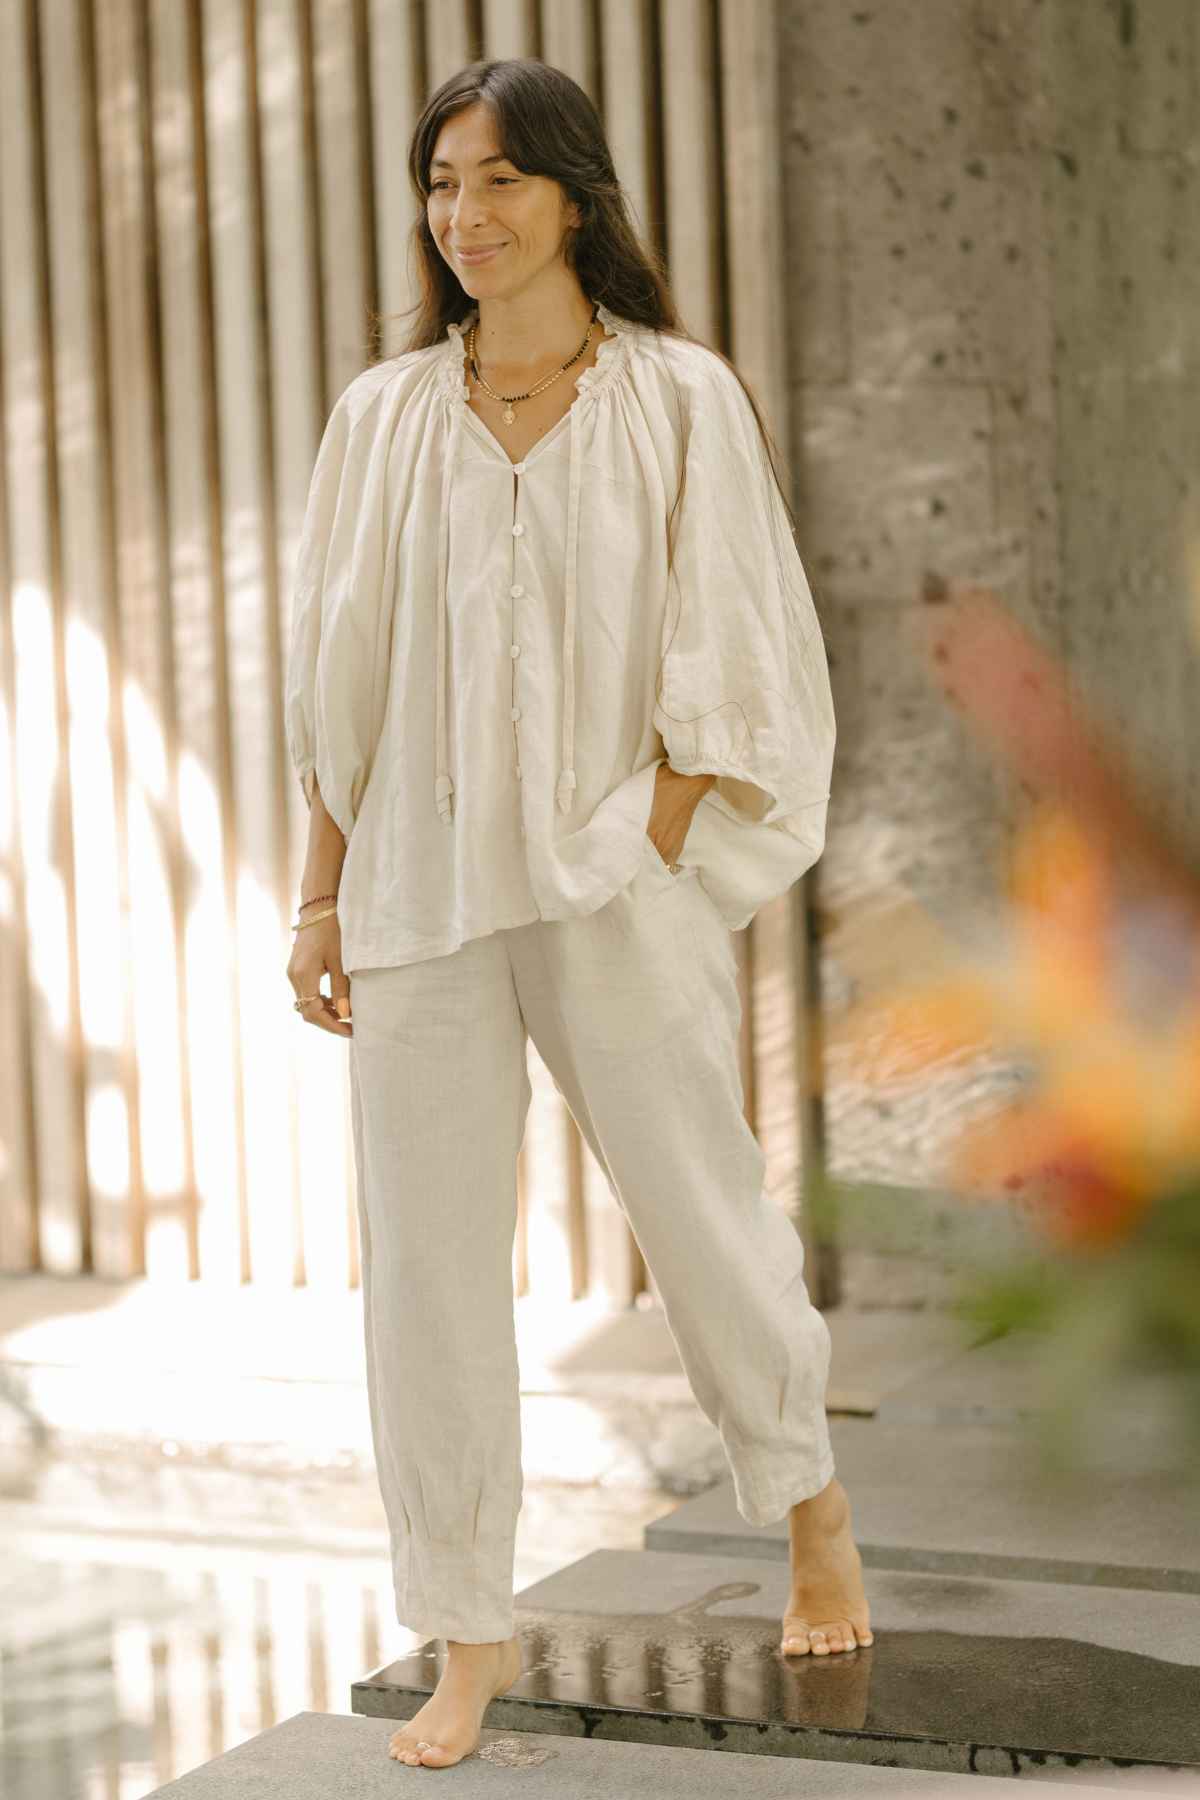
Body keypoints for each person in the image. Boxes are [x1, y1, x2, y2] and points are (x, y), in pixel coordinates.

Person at [284, 57, 872, 1773]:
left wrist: (653, 824)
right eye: (441, 185)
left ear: (575, 197)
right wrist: (319, 895)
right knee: (429, 1281)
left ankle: (809, 1502)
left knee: (700, 1213)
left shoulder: (677, 398)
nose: (463, 217)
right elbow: (343, 689)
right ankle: (467, 1625)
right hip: (415, 895)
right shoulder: (384, 416)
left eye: (497, 183)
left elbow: (748, 650)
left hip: (615, 883)